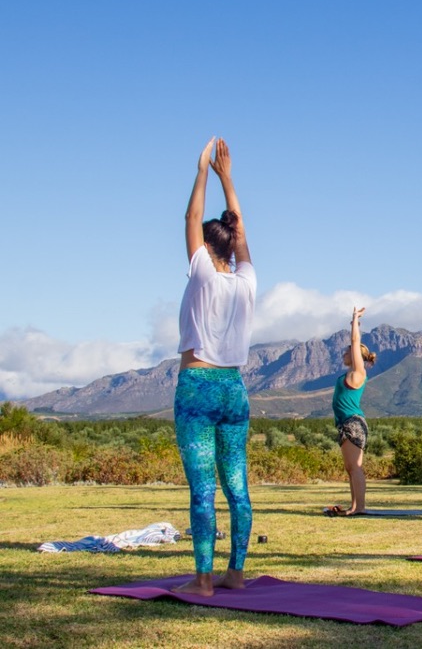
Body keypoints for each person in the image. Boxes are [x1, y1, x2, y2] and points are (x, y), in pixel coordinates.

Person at [173, 137, 257, 596]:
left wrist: (202, 169)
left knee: (203, 487)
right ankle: (237, 573)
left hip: (198, 387)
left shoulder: (202, 269)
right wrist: (229, 177)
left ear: (206, 247)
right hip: (234, 389)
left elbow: (189, 218)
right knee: (237, 484)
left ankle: (203, 579)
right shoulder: (247, 280)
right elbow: (241, 232)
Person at [326, 306, 376, 516]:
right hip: (346, 423)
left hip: (352, 423)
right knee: (350, 468)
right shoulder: (350, 373)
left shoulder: (358, 372)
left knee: (355, 467)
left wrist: (354, 320)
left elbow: (355, 342)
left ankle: (360, 507)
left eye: (347, 352)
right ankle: (354, 506)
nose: (344, 354)